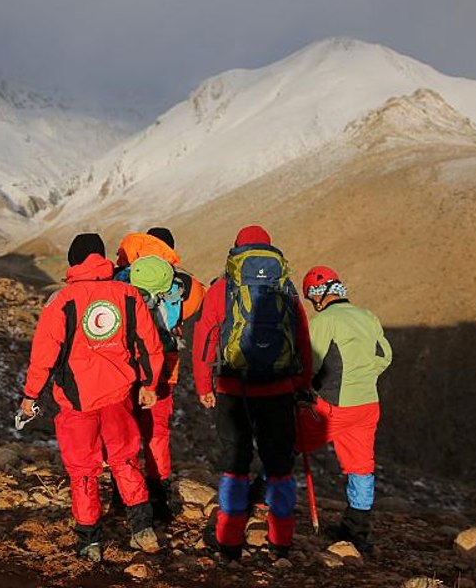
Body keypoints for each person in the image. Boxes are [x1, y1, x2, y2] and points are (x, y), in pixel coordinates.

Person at [18, 233, 165, 563]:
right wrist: (149, 383)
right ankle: (143, 531)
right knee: (125, 461)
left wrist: (30, 395)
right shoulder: (129, 295)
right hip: (119, 397)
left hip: (76, 403)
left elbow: (43, 355)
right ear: (101, 259)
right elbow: (148, 345)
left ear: (73, 263)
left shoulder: (62, 301)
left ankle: (89, 543)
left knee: (84, 471)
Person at [192, 225, 312, 561]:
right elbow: (302, 338)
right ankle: (281, 542)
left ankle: (229, 540)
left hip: (233, 388)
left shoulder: (222, 288)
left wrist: (204, 385)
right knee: (279, 465)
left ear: (236, 251)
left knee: (235, 463)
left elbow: (206, 340)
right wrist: (302, 383)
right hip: (280, 388)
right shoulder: (285, 289)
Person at [108, 228, 206, 523]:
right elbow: (195, 303)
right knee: (157, 433)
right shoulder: (181, 285)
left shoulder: (120, 279)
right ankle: (159, 499)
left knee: (123, 433)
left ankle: (120, 496)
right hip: (164, 370)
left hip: (125, 368)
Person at [296, 265, 393, 554]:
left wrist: (308, 389)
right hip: (367, 403)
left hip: (334, 405)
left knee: (287, 444)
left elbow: (309, 362)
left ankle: (259, 501)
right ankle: (356, 532)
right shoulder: (367, 316)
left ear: (317, 296)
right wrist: (363, 377)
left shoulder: (324, 320)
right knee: (361, 468)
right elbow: (384, 356)